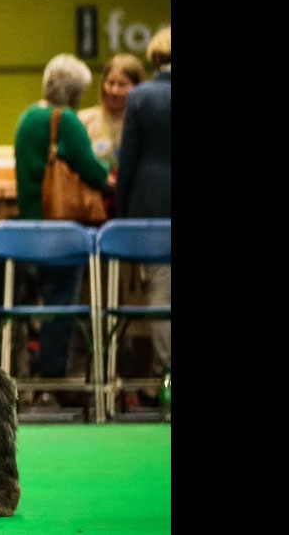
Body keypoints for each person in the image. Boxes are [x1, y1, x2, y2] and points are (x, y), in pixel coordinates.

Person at [12, 54, 111, 405]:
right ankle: (53, 381)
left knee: (31, 307)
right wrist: (108, 170)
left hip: (27, 232)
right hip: (61, 231)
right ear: (72, 92)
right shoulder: (65, 119)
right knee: (61, 304)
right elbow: (91, 170)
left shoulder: (26, 118)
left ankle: (25, 378)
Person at [117, 27, 171, 374]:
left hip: (152, 206)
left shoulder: (140, 97)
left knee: (163, 291)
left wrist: (123, 214)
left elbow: (129, 161)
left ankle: (168, 371)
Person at [77, 53, 146, 172]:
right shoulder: (84, 119)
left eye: (122, 84)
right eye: (110, 83)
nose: (115, 90)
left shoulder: (144, 123)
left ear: (137, 86)